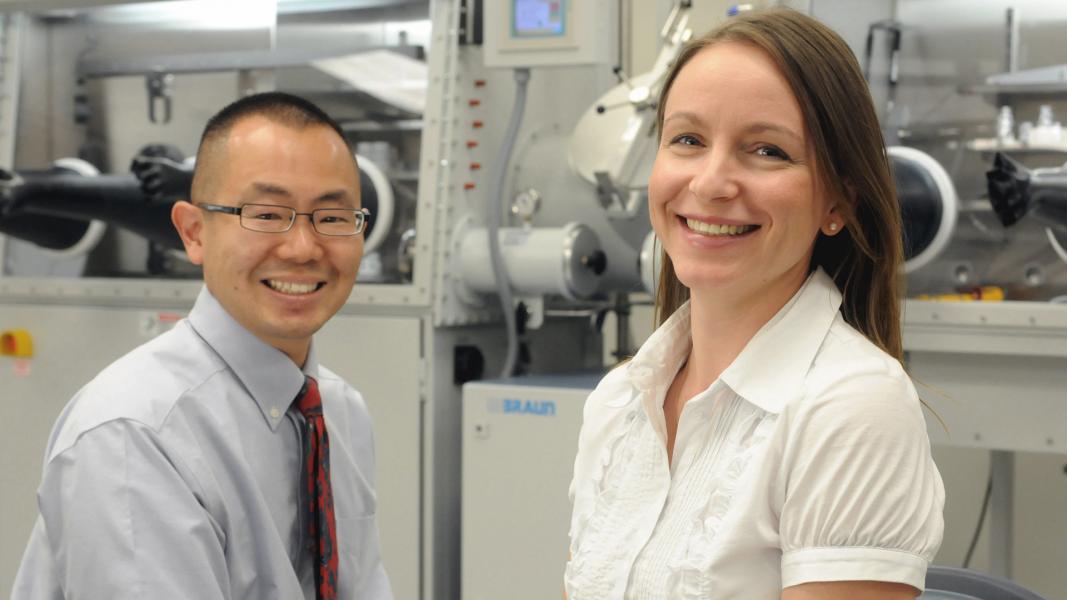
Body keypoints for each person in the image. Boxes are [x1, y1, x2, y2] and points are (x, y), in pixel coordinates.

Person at [565, 8, 944, 600]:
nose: (712, 182)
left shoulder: (852, 406)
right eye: (687, 139)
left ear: (838, 203)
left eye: (766, 150)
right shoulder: (620, 402)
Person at [12, 92, 392, 600]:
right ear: (193, 233)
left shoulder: (339, 413)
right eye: (266, 213)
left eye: (333, 217)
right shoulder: (136, 435)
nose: (303, 248)